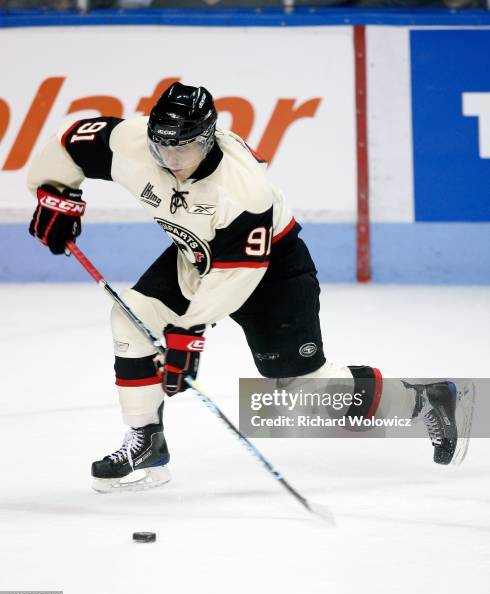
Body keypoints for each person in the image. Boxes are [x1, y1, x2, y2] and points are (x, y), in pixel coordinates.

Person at [27, 82, 473, 493]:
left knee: (305, 391)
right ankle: (146, 439)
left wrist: (189, 330)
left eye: (185, 147)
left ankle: (427, 400)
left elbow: (237, 275)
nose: (172, 160)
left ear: (208, 137)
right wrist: (55, 194)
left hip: (272, 271)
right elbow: (70, 145)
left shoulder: (242, 189)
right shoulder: (134, 144)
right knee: (131, 316)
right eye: (162, 146)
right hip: (196, 256)